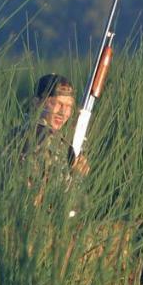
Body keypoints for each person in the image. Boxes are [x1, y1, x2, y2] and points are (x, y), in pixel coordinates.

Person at [8, 73, 89, 207]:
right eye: (56, 103)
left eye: (69, 106)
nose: (63, 112)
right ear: (36, 103)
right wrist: (77, 176)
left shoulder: (15, 133)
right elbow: (61, 202)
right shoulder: (51, 140)